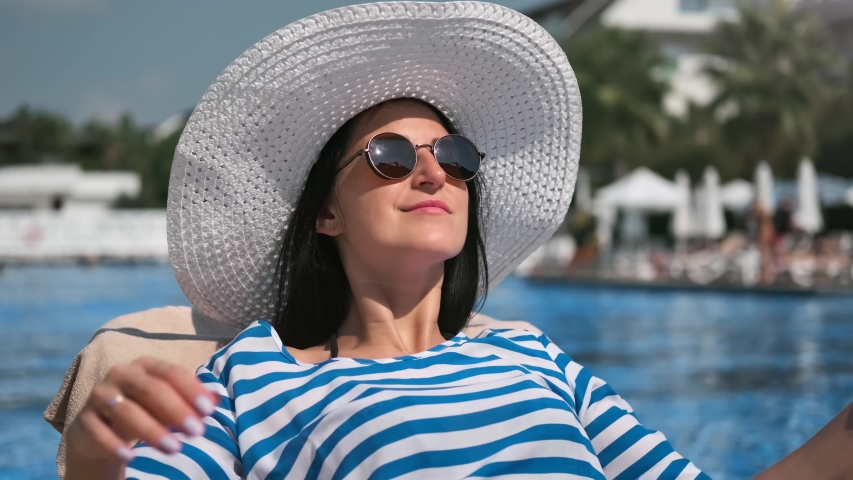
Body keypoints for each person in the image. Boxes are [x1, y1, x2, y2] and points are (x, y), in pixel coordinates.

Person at [60, 2, 853, 479]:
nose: (433, 172)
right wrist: (98, 462)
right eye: (391, 157)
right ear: (324, 214)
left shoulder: (535, 359)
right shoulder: (255, 373)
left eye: (456, 156)